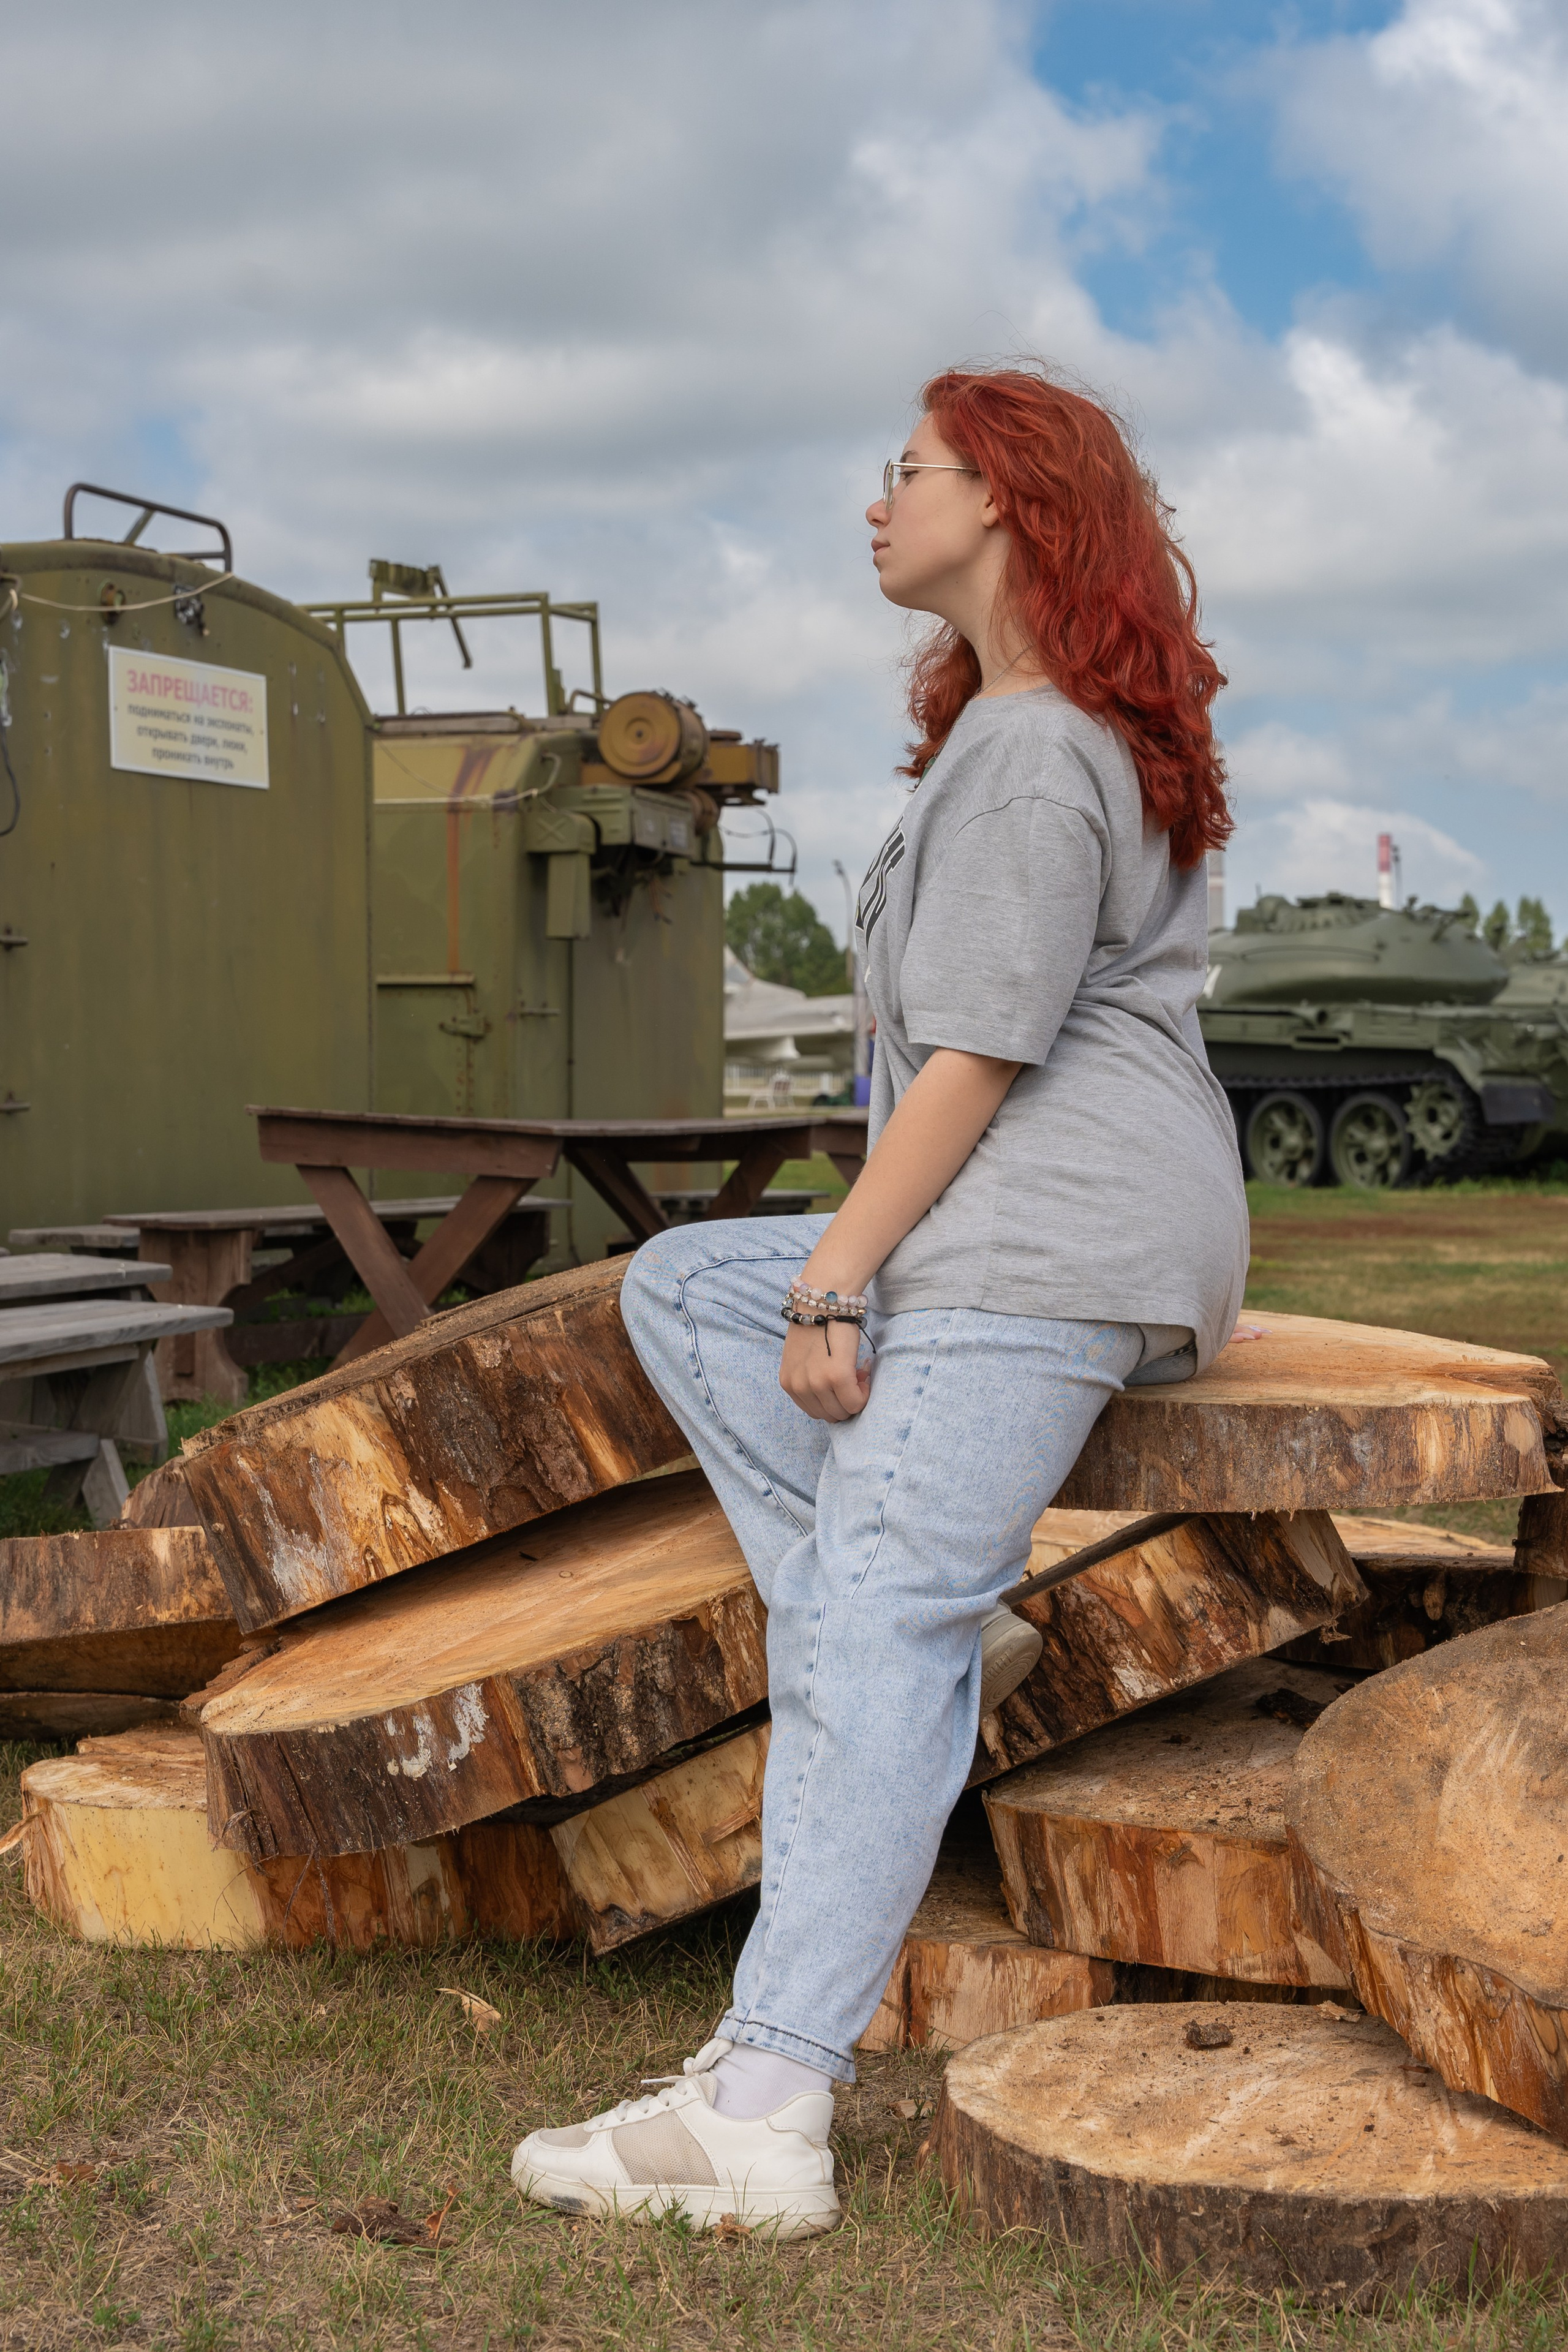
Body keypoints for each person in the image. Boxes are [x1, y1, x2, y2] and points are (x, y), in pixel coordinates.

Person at [511, 361, 1248, 2239]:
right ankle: (941, 1623)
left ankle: (765, 2104)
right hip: (1058, 1215)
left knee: (868, 1614)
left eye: (904, 469)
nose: (874, 500)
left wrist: (843, 1273)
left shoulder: (1027, 743)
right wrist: (803, 1274)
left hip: (1051, 1230)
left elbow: (981, 1053)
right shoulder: (1043, 724)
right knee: (688, 1282)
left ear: (1005, 497)